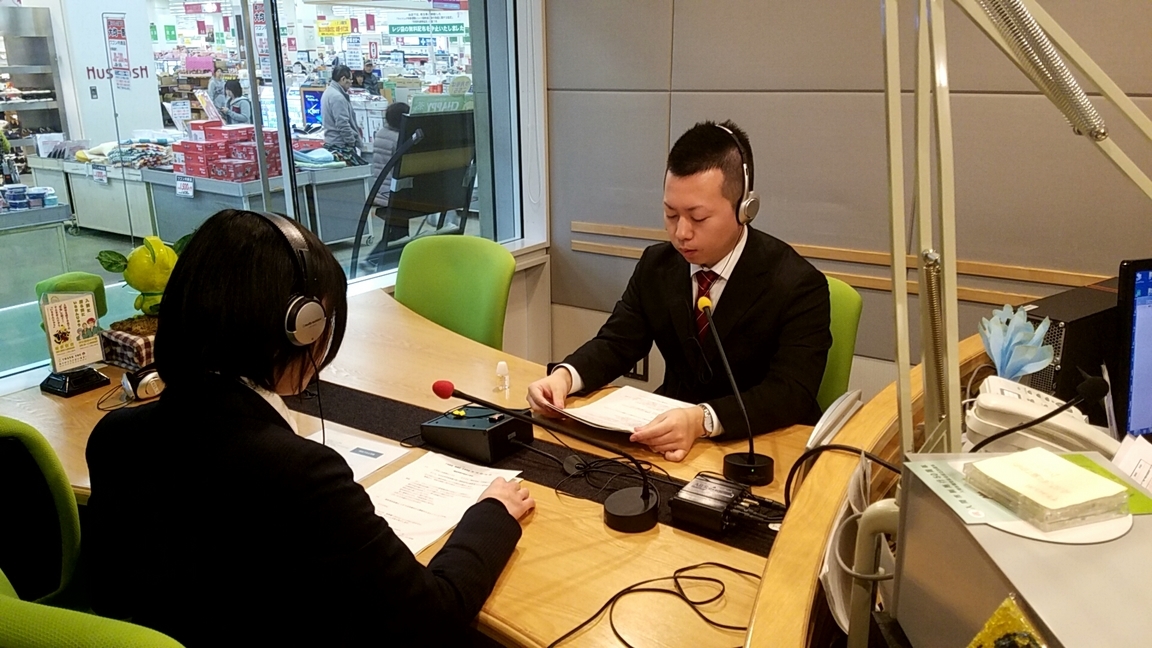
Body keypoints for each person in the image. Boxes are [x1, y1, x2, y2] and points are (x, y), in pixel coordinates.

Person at [84, 209, 534, 647]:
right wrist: (491, 514)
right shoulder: (299, 473)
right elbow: (434, 618)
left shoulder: (115, 436)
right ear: (299, 327)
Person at [527, 120, 832, 462]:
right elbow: (617, 342)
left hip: (757, 448)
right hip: (668, 443)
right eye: (671, 214)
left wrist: (703, 419)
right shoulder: (657, 265)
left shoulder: (798, 285)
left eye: (697, 218)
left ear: (744, 209)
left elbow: (791, 392)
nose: (681, 233)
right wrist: (565, 378)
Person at [321, 65, 366, 165]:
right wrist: (351, 142)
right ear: (343, 79)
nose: (351, 82)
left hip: (332, 142)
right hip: (340, 145)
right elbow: (342, 124)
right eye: (350, 80)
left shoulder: (328, 92)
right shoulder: (337, 97)